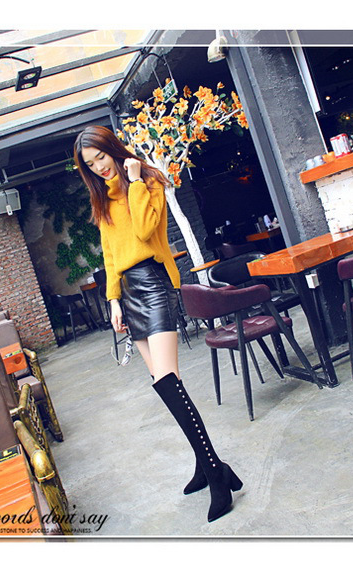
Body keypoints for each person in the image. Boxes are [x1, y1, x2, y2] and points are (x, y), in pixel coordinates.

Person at [73, 125, 242, 523]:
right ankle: (206, 463)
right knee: (164, 385)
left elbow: (146, 231)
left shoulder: (147, 182)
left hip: (154, 282)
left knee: (168, 379)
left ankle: (216, 473)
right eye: (91, 165)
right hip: (129, 292)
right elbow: (110, 253)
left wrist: (133, 180)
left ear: (113, 149)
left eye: (101, 157)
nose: (100, 168)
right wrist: (113, 299)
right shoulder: (102, 198)